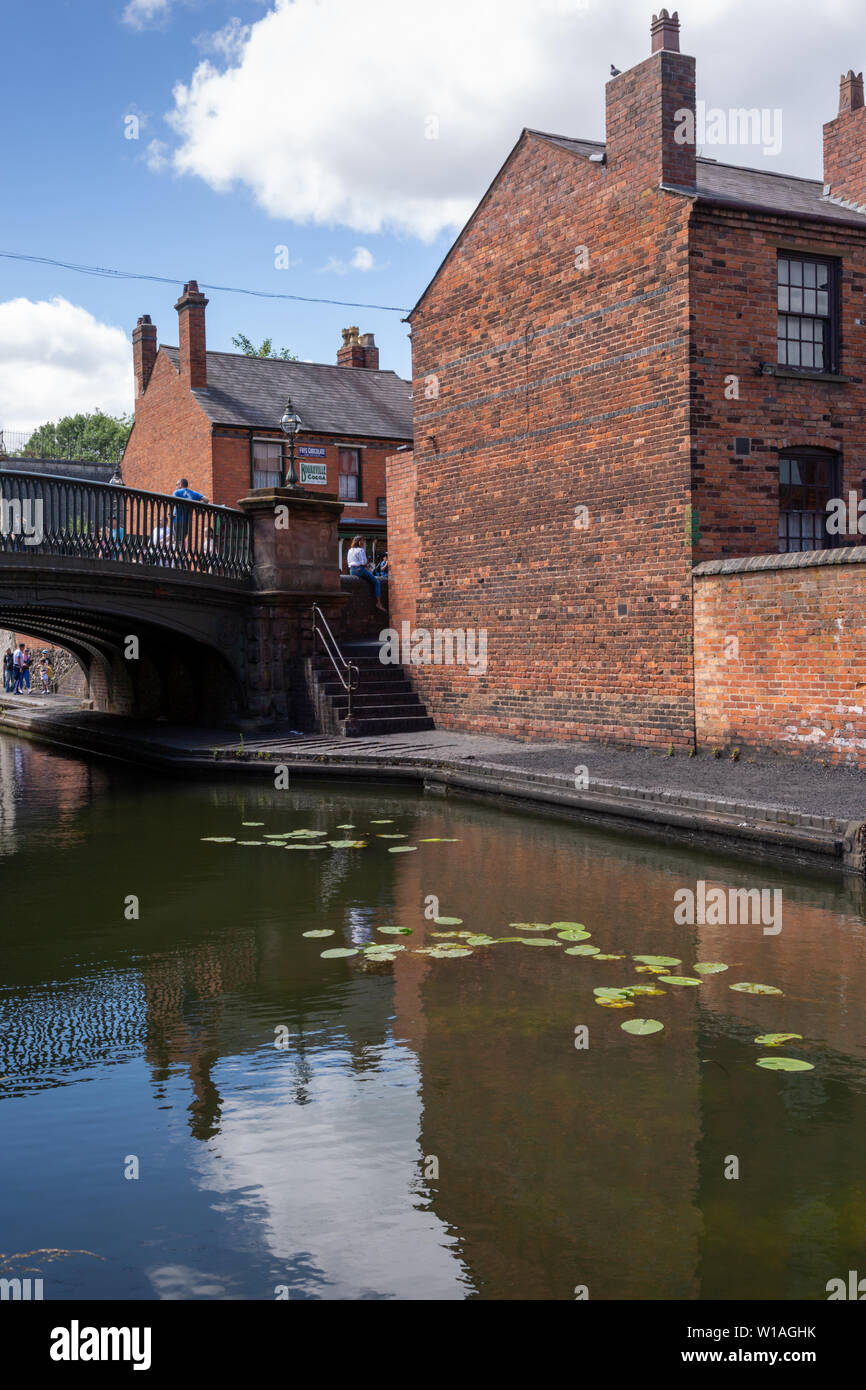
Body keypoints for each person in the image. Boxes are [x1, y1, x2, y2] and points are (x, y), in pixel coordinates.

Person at [347, 535, 386, 613]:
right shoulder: (361, 550)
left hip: (352, 570)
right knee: (376, 582)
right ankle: (379, 603)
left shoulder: (350, 550)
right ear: (359, 542)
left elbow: (349, 562)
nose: (364, 543)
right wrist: (367, 565)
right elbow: (364, 562)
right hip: (359, 570)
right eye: (363, 541)